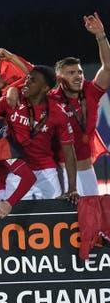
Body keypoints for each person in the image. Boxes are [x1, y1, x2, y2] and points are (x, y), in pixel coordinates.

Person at [50, 12, 110, 196]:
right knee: (63, 224)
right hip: (60, 175)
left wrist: (100, 35)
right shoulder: (51, 99)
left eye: (80, 72)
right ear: (60, 78)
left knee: (93, 224)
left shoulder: (90, 91)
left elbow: (108, 67)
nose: (78, 76)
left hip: (87, 173)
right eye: (71, 73)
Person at [4, 66, 79, 202]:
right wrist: (11, 89)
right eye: (27, 79)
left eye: (32, 81)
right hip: (18, 170)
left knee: (53, 218)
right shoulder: (13, 99)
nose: (26, 83)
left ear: (45, 88)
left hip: (46, 171)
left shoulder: (57, 113)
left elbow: (69, 151)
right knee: (12, 219)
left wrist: (72, 188)